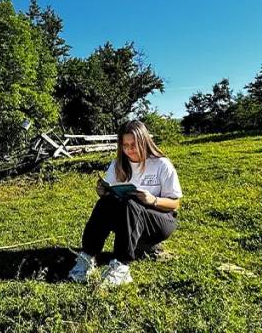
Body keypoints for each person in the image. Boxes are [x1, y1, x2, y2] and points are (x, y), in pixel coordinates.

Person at [68, 120, 183, 286]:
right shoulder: (118, 164)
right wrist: (103, 192)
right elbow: (109, 193)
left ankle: (121, 266)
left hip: (159, 221)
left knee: (130, 204)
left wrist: (153, 199)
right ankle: (87, 258)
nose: (129, 150)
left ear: (144, 141)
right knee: (106, 202)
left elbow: (175, 203)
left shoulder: (161, 164)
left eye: (134, 144)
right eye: (125, 145)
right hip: (127, 221)